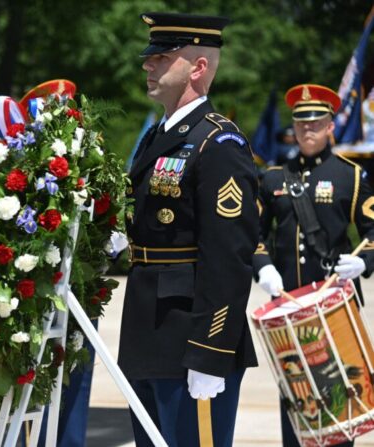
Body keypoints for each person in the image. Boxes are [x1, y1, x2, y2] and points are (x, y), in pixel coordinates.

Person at [118, 12, 259, 446]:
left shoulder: (219, 143)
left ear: (197, 68)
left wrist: (211, 353)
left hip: (190, 340)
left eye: (161, 57)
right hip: (147, 332)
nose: (148, 65)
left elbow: (229, 257)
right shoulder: (158, 136)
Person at [254, 84, 374, 447]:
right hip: (288, 306)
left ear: (330, 126)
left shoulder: (350, 176)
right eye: (302, 122)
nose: (308, 129)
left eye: (317, 122)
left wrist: (362, 259)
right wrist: (263, 267)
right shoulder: (273, 177)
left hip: (333, 306)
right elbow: (251, 234)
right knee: (297, 400)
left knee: (340, 402)